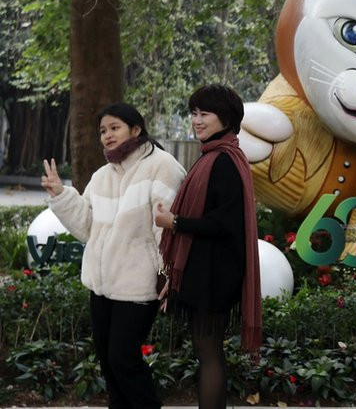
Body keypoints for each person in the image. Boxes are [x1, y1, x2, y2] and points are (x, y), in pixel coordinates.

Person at [41, 102, 186, 409]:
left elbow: (169, 229)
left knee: (123, 359)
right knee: (109, 361)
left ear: (136, 129)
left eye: (114, 128)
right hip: (102, 285)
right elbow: (87, 226)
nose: (107, 135)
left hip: (137, 285)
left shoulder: (162, 166)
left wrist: (171, 273)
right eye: (103, 131)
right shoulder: (102, 175)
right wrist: (60, 193)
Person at [153, 84, 262, 409]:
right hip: (205, 270)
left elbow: (222, 223)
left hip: (215, 274)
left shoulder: (224, 161)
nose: (197, 120)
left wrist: (174, 222)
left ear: (226, 118)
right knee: (207, 350)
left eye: (205, 114)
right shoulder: (212, 156)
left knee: (209, 351)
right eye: (194, 113)